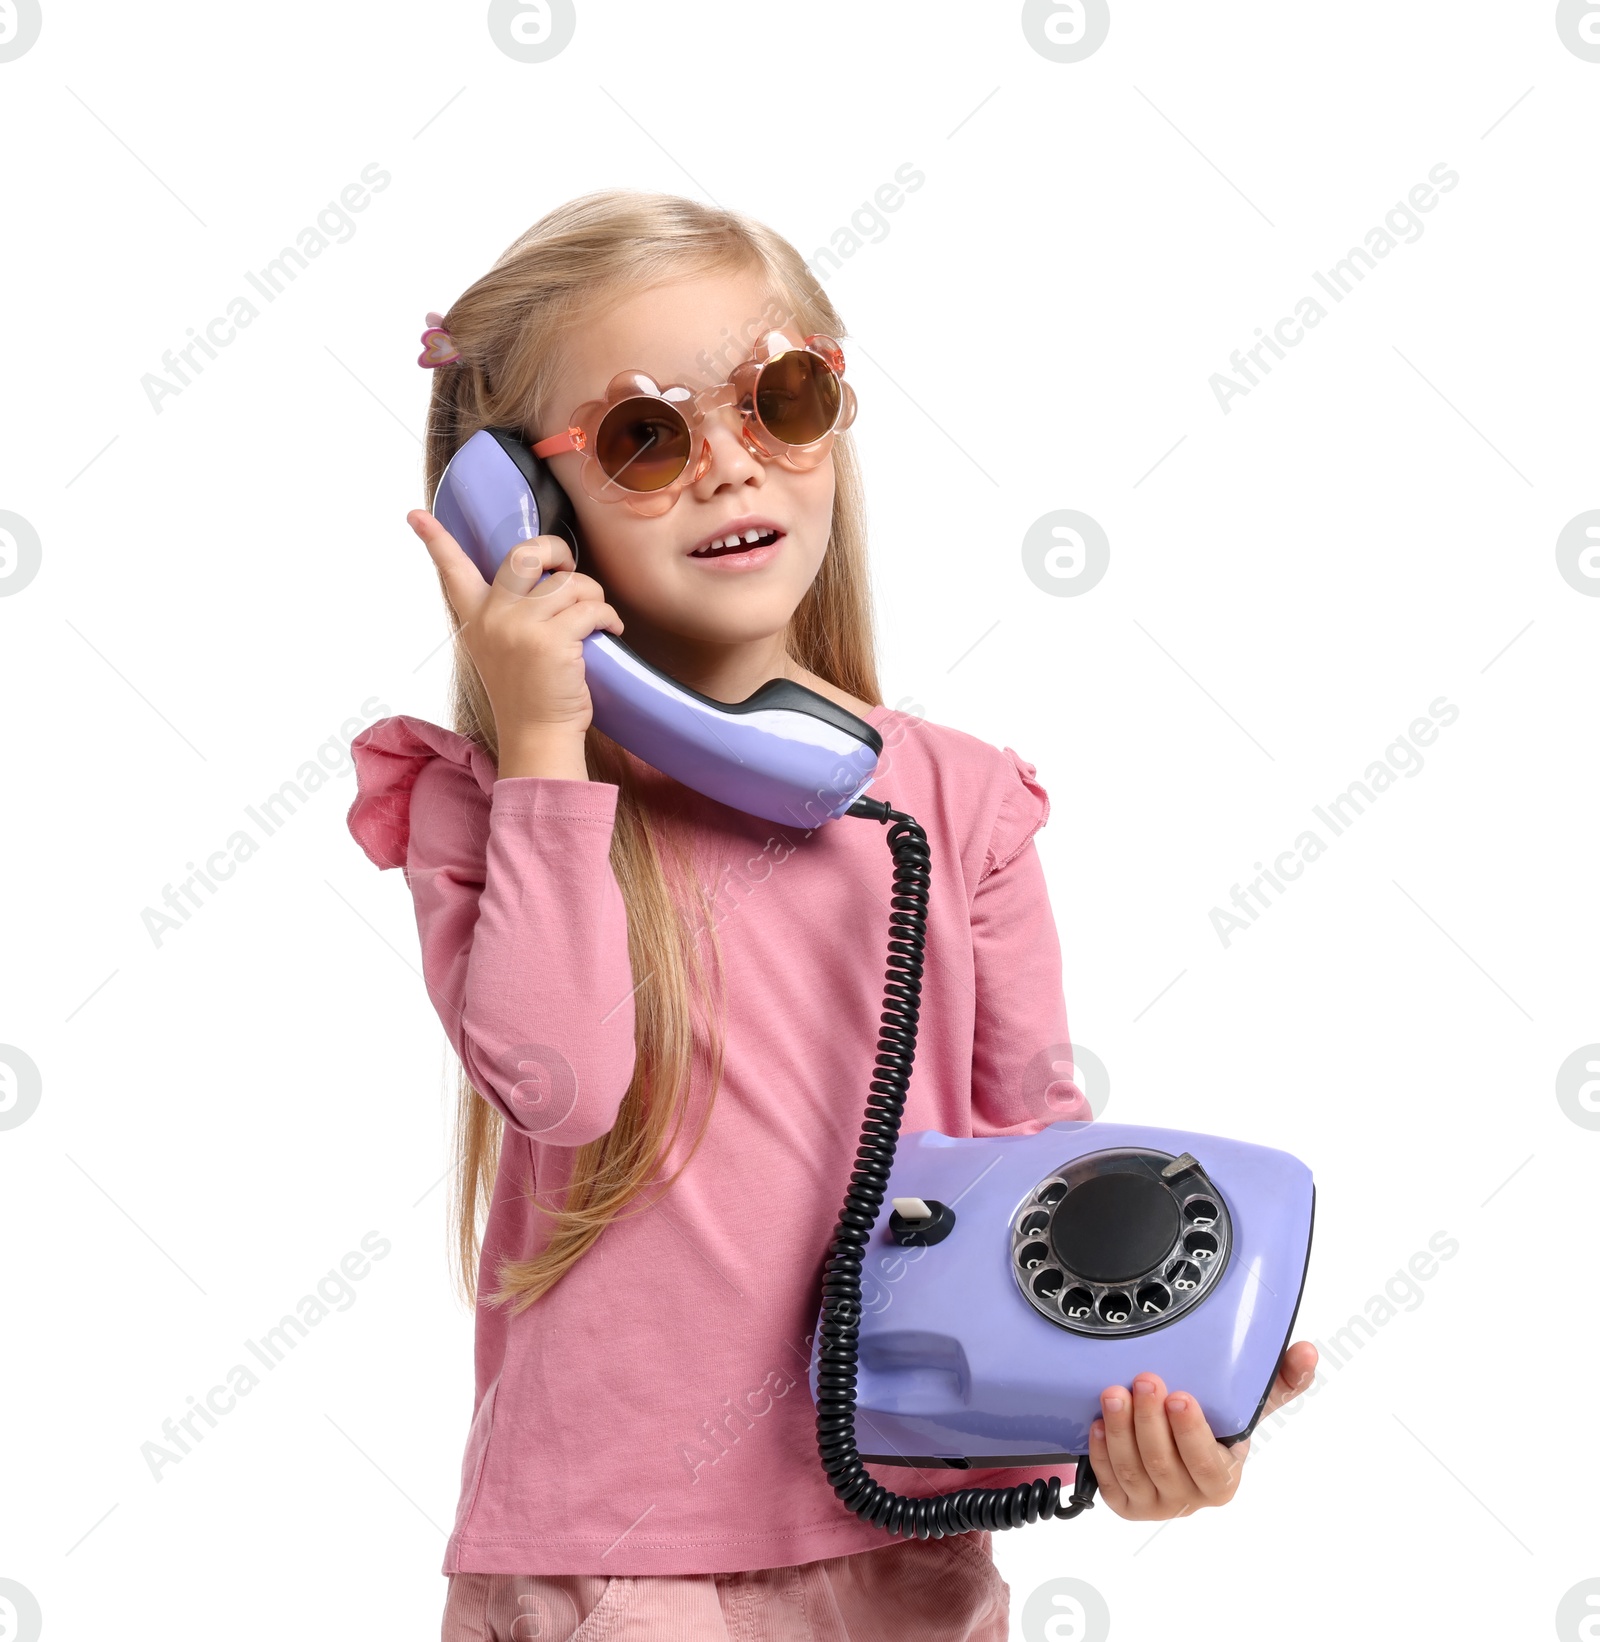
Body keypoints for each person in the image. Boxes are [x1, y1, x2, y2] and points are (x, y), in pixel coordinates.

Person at [345, 188, 1317, 1642]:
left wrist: (1135, 1391)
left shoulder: (962, 803)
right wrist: (552, 747)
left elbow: (1019, 1159)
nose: (734, 465)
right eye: (648, 434)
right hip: (621, 1559)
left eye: (781, 397)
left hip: (901, 1538)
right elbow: (560, 1081)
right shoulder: (496, 811)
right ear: (524, 513)